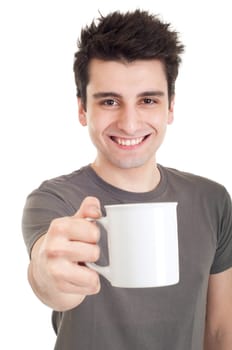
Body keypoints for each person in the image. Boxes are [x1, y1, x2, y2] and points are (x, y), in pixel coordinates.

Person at [22, 9, 232, 350]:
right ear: (82, 109)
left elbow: (222, 331)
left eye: (148, 100)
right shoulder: (54, 201)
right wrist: (45, 274)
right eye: (109, 101)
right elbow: (49, 281)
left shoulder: (213, 200)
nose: (130, 124)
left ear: (171, 108)